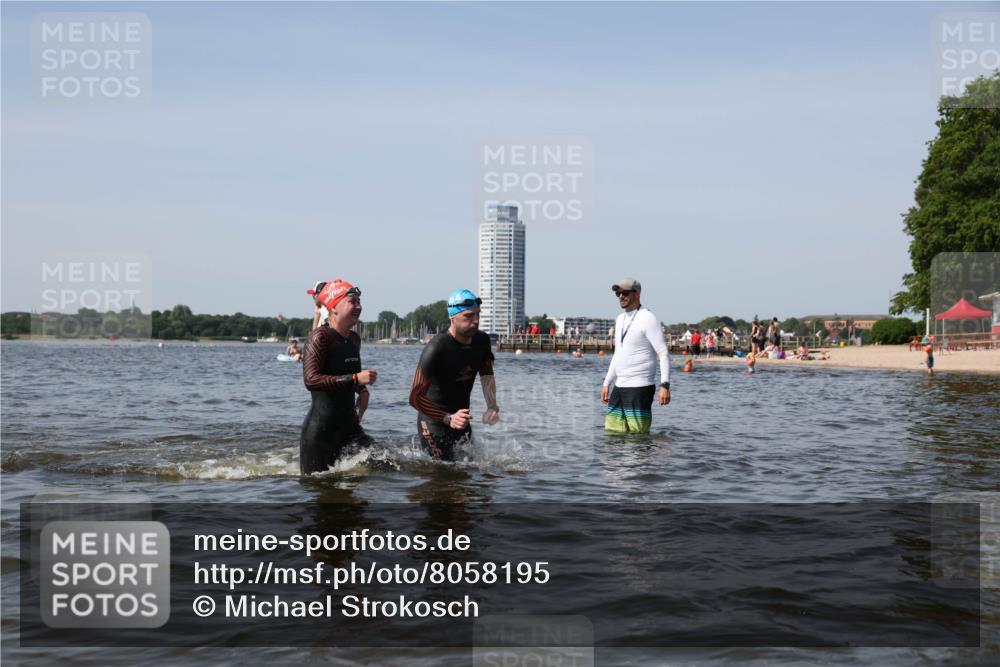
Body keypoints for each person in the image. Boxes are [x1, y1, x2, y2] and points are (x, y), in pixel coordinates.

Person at [409, 289, 499, 461]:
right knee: (442, 475)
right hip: (433, 422)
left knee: (470, 476)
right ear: (452, 317)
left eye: (478, 315)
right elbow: (414, 398)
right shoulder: (436, 348)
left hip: (462, 421)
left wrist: (492, 406)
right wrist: (447, 418)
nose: (476, 321)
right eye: (468, 316)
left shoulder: (482, 341)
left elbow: (486, 374)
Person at [299, 279, 377, 474]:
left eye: (359, 301)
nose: (358, 306)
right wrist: (355, 380)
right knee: (321, 490)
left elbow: (351, 373)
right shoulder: (320, 338)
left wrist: (363, 390)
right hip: (321, 433)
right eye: (353, 301)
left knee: (386, 466)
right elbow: (311, 380)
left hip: (350, 428)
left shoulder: (353, 339)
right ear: (333, 307)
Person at [601, 277, 671, 434]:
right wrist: (607, 383)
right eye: (618, 293)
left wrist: (664, 385)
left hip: (640, 386)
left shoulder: (647, 317)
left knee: (638, 439)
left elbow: (663, 352)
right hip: (619, 386)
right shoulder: (620, 319)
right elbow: (618, 354)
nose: (621, 296)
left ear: (637, 294)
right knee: (612, 436)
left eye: (625, 292)